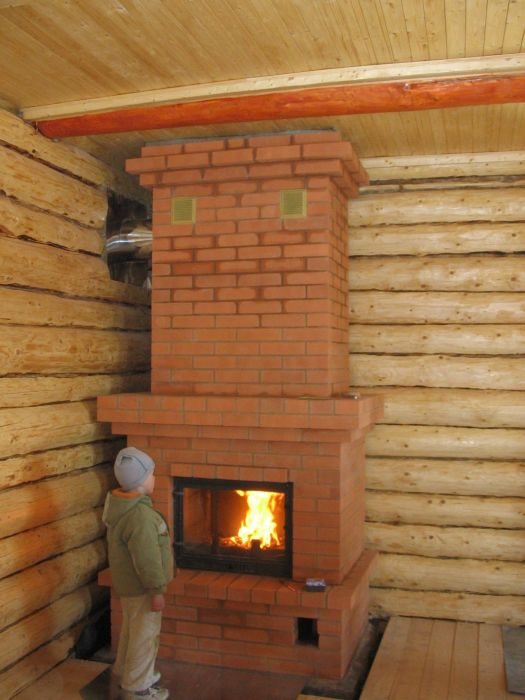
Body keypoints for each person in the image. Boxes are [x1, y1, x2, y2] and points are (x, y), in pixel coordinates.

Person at [103, 446, 174, 700]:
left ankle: (126, 671)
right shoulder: (140, 517)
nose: (155, 479)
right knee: (145, 636)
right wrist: (157, 590)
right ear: (141, 481)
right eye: (152, 474)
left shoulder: (121, 506)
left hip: (129, 586)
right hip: (143, 588)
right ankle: (139, 688)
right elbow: (147, 559)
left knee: (133, 630)